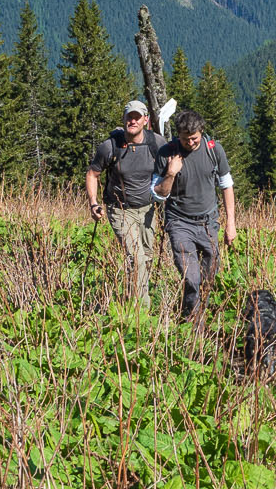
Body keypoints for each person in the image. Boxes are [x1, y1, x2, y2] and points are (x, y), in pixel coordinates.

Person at [152, 107, 237, 325]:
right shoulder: (166, 153)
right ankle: (191, 324)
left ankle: (198, 315)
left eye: (195, 138)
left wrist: (231, 224)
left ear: (201, 132)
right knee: (191, 277)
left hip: (209, 222)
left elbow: (226, 186)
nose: (190, 143)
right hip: (179, 223)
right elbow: (159, 195)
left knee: (209, 277)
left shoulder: (213, 149)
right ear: (177, 135)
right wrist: (171, 172)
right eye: (186, 139)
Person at [86, 100, 166, 307]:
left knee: (146, 257)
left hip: (148, 209)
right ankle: (143, 313)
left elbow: (168, 170)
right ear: (123, 119)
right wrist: (93, 203)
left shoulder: (156, 143)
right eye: (129, 117)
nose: (133, 121)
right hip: (119, 209)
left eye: (137, 117)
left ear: (145, 120)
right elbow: (93, 174)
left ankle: (134, 298)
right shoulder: (110, 146)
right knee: (136, 258)